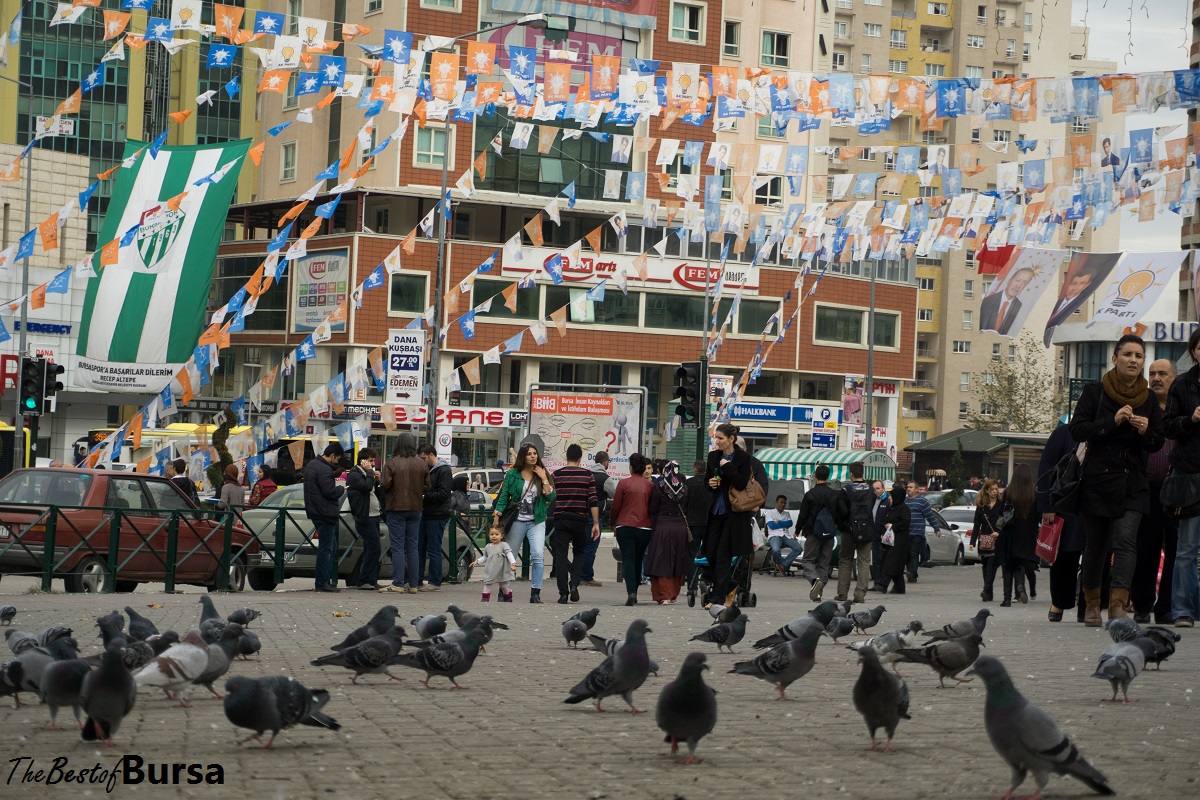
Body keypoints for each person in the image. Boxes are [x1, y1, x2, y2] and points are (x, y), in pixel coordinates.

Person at [1068, 334, 1164, 626]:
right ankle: (1092, 604)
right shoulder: (1095, 392)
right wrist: (1113, 422)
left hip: (1132, 481)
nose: (1133, 360)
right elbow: (1077, 431)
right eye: (1128, 354)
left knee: (1125, 542)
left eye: (1138, 356)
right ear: (1115, 358)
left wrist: (1146, 430)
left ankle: (1119, 605)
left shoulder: (1148, 398)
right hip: (1098, 478)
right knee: (1096, 545)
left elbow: (1157, 443)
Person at [1130, 359, 1178, 623]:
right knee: (1145, 550)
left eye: (1162, 373)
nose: (1156, 378)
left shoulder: (1181, 409)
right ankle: (1142, 604)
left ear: (1175, 377)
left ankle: (1166, 607)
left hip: (1177, 492)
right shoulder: (1143, 407)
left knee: (1174, 551)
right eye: (1152, 374)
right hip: (1146, 489)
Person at [1164, 327, 1200, 628]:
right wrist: (1191, 419)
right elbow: (1168, 427)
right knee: (1186, 549)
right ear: (1194, 351)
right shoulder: (1182, 385)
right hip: (1189, 474)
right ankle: (1183, 610)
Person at [1036, 425, 1091, 622]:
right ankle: (1059, 601)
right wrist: (1048, 505)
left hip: (1097, 502)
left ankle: (1089, 606)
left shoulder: (1109, 431)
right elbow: (1047, 467)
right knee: (1065, 554)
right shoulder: (1065, 433)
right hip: (1067, 503)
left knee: (1096, 557)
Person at [492, 443, 555, 603]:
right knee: (509, 555)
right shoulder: (513, 474)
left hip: (537, 521)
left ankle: (535, 593)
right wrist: (497, 517)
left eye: (535, 453)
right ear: (523, 456)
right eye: (529, 454)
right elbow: (504, 495)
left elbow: (550, 497)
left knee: (538, 555)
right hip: (517, 521)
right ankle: (504, 591)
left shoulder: (542, 473)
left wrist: (543, 478)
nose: (533, 456)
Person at [703, 423, 754, 607]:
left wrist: (729, 467)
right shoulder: (713, 456)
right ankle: (730, 585)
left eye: (721, 438)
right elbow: (707, 482)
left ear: (731, 439)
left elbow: (741, 483)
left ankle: (716, 599)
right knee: (710, 553)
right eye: (715, 437)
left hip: (733, 515)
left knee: (723, 556)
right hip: (715, 511)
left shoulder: (743, 458)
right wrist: (711, 483)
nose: (717, 441)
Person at [379, 433, 429, 594]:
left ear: (397, 444)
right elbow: (428, 486)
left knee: (398, 547)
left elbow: (384, 483)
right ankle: (413, 585)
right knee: (413, 547)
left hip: (396, 508)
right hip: (415, 508)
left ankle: (398, 583)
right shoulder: (421, 464)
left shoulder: (392, 462)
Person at [550, 444, 600, 604]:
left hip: (561, 519)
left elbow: (549, 496)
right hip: (580, 520)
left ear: (566, 457)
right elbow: (593, 500)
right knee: (579, 553)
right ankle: (574, 586)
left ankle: (563, 593)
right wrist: (596, 524)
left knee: (561, 555)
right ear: (580, 458)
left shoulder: (556, 475)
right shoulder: (588, 475)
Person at [796, 464, 847, 602]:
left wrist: (797, 530)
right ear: (828, 477)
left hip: (813, 532)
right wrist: (841, 528)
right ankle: (819, 592)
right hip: (829, 533)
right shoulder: (834, 494)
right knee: (824, 562)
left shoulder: (810, 494)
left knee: (808, 560)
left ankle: (814, 580)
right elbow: (839, 514)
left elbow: (803, 515)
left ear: (815, 476)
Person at [611, 452, 655, 606]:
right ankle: (635, 588)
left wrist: (612, 522)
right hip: (644, 527)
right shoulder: (650, 485)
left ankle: (631, 592)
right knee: (638, 558)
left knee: (628, 559)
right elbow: (653, 507)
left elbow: (616, 506)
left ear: (630, 467)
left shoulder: (623, 483)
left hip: (625, 525)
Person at [645, 460, 690, 604]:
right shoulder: (684, 488)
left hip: (663, 526)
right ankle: (673, 595)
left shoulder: (659, 487)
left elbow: (652, 509)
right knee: (678, 560)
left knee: (661, 560)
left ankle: (662, 595)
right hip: (680, 528)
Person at [993, 465, 1038, 607]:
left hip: (1010, 532)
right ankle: (1020, 585)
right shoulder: (1034, 494)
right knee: (1020, 564)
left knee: (1008, 566)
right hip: (1027, 535)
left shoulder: (1009, 492)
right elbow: (1038, 516)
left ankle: (1007, 599)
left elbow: (1001, 512)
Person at [304, 443, 347, 593]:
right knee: (326, 548)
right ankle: (322, 583)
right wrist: (342, 488)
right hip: (325, 512)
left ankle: (325, 580)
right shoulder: (324, 469)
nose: (337, 463)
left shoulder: (311, 465)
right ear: (333, 455)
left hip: (315, 511)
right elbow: (330, 492)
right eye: (337, 459)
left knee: (331, 547)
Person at [835, 462, 875, 604]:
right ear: (862, 473)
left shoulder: (846, 490)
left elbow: (841, 511)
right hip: (867, 529)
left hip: (849, 530)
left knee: (845, 559)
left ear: (851, 474)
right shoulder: (871, 490)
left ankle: (842, 593)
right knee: (864, 561)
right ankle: (860, 594)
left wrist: (843, 527)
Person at [416, 443, 453, 593]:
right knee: (420, 547)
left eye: (424, 458)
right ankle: (416, 580)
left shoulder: (443, 470)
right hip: (426, 512)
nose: (422, 461)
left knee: (433, 548)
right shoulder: (428, 469)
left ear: (431, 455)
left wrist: (424, 496)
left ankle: (435, 581)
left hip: (437, 513)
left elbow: (444, 493)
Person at [346, 449, 383, 590]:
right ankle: (363, 580)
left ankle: (371, 580)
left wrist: (378, 482)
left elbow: (376, 493)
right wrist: (369, 473)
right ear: (362, 461)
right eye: (370, 461)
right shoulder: (354, 474)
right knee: (375, 548)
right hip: (364, 516)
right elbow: (366, 487)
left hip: (374, 515)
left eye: (374, 461)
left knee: (370, 549)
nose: (373, 464)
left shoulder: (369, 475)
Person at [579, 451, 615, 588]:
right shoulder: (605, 478)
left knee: (581, 547)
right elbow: (615, 495)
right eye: (609, 462)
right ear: (605, 461)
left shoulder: (586, 475)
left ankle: (580, 574)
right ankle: (586, 577)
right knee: (591, 548)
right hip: (595, 517)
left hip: (581, 515)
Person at [903, 481, 942, 584]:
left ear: (916, 489)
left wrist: (936, 529)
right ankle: (912, 574)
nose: (908, 489)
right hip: (906, 533)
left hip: (917, 533)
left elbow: (930, 516)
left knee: (914, 553)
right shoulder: (904, 501)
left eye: (911, 487)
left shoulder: (922, 501)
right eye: (907, 487)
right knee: (906, 554)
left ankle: (912, 572)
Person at [972, 479, 1003, 602]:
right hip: (984, 540)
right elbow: (976, 524)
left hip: (996, 539)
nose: (995, 492)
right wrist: (972, 542)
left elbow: (1004, 519)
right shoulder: (981, 506)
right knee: (985, 566)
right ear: (986, 490)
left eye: (996, 489)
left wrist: (998, 532)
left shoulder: (1001, 504)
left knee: (991, 566)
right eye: (992, 489)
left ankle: (985, 589)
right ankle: (989, 594)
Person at [979, 266, 1034, 335]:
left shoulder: (1020, 307)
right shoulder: (988, 301)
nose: (1019, 285)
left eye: (1025, 283)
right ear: (1009, 281)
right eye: (1017, 280)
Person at [1045, 264, 1100, 331]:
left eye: (1082, 283)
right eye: (1074, 283)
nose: (1075, 288)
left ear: (1087, 285)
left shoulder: (1079, 302)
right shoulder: (1059, 302)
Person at [878, 484, 911, 594]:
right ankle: (899, 587)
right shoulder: (893, 508)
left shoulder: (904, 509)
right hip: (891, 540)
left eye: (891, 496)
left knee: (891, 563)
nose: (889, 498)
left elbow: (905, 522)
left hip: (900, 541)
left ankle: (883, 584)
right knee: (895, 564)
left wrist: (893, 526)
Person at [474, 526, 518, 602]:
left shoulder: (504, 545)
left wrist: (513, 564)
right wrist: (477, 561)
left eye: (497, 534)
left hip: (501, 569)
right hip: (491, 569)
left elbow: (509, 555)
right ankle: (485, 599)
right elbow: (485, 557)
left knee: (503, 585)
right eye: (492, 534)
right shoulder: (488, 546)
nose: (494, 536)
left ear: (502, 536)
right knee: (488, 583)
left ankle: (508, 596)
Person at [764, 494, 802, 574]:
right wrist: (783, 524)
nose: (783, 504)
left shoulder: (786, 513)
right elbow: (772, 525)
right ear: (776, 503)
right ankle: (781, 564)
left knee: (799, 549)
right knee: (776, 550)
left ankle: (783, 565)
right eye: (781, 502)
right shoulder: (770, 513)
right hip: (774, 535)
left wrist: (779, 522)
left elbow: (790, 524)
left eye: (784, 503)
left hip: (785, 535)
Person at [684, 459, 712, 557]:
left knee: (692, 553)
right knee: (708, 553)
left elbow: (684, 503)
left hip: (692, 523)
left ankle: (692, 572)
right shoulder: (711, 483)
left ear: (695, 469)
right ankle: (705, 571)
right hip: (708, 523)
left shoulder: (688, 483)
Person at [869, 480, 891, 592]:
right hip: (874, 533)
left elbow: (887, 518)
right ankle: (877, 583)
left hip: (883, 534)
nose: (876, 491)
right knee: (876, 560)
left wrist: (883, 532)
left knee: (883, 559)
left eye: (878, 488)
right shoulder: (873, 499)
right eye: (874, 489)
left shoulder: (887, 500)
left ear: (883, 488)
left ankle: (883, 583)